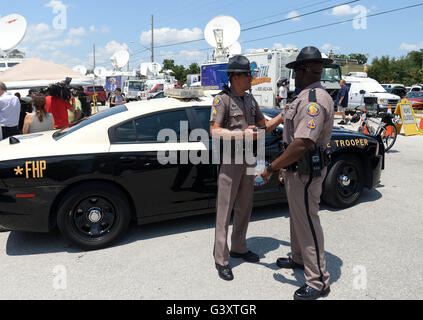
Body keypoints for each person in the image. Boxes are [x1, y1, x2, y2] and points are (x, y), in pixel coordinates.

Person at [261, 46, 334, 300]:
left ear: (304, 71)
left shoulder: (314, 100)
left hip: (305, 171)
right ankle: (300, 258)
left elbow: (302, 143)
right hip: (295, 171)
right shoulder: (302, 97)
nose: (293, 76)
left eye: (295, 71)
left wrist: (273, 166)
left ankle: (318, 281)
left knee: (308, 222)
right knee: (297, 218)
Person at [210, 55, 283, 281]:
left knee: (245, 207)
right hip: (231, 161)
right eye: (248, 74)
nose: (252, 78)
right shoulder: (221, 100)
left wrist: (283, 115)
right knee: (224, 212)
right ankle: (221, 259)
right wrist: (242, 134)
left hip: (249, 160)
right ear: (235, 77)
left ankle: (239, 247)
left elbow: (264, 127)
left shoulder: (251, 100)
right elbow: (214, 130)